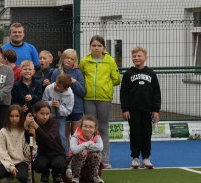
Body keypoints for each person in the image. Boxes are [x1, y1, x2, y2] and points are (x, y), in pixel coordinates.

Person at [78, 35, 121, 170]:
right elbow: (80, 77)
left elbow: (116, 79)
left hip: (104, 99)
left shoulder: (110, 61)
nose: (96, 48)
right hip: (88, 98)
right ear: (90, 47)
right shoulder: (85, 61)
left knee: (103, 128)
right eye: (94, 45)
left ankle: (105, 159)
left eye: (99, 46)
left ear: (104, 47)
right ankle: (89, 157)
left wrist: (105, 86)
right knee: (89, 129)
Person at [120, 46, 160, 169]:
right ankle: (135, 158)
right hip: (133, 110)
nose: (136, 58)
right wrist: (125, 109)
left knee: (146, 134)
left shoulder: (151, 74)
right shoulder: (128, 74)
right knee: (135, 133)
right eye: (134, 56)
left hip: (147, 110)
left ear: (145, 58)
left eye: (139, 56)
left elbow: (156, 93)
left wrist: (156, 110)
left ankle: (146, 158)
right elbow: (124, 92)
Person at [49, 49, 87, 145]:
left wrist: (74, 82)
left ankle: (75, 155)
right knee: (64, 134)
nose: (69, 60)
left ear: (75, 61)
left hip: (76, 108)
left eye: (72, 59)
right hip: (62, 108)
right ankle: (66, 155)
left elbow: (83, 92)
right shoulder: (56, 72)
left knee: (76, 135)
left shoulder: (78, 73)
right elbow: (52, 91)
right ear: (62, 58)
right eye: (67, 58)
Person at [25, 101, 68, 183]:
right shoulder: (32, 123)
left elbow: (49, 139)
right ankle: (45, 173)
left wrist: (36, 127)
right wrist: (26, 127)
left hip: (57, 153)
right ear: (35, 113)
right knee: (37, 166)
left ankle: (56, 174)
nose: (45, 117)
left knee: (59, 164)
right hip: (43, 154)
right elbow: (29, 141)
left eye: (47, 114)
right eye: (42, 113)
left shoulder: (54, 123)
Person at [0, 105, 33, 183]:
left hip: (22, 161)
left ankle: (25, 176)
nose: (14, 118)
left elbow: (28, 153)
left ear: (21, 117)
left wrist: (32, 137)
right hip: (8, 161)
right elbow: (2, 152)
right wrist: (11, 167)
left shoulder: (25, 130)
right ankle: (9, 175)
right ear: (8, 117)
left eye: (17, 116)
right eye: (12, 116)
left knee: (22, 177)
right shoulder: (3, 131)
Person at [42, 72, 75, 151]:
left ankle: (65, 156)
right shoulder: (49, 88)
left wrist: (59, 107)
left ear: (65, 89)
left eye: (59, 86)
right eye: (55, 83)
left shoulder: (70, 95)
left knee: (60, 135)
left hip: (60, 117)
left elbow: (68, 111)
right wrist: (50, 104)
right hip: (48, 116)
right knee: (45, 134)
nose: (55, 86)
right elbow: (43, 102)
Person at [69, 115, 105, 183]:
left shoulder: (97, 136)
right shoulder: (75, 137)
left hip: (90, 165)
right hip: (75, 165)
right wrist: (87, 143)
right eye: (85, 126)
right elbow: (74, 150)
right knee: (82, 152)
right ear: (81, 126)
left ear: (95, 128)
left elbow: (100, 147)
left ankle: (95, 176)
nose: (87, 129)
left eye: (91, 127)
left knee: (96, 154)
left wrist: (81, 146)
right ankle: (76, 176)